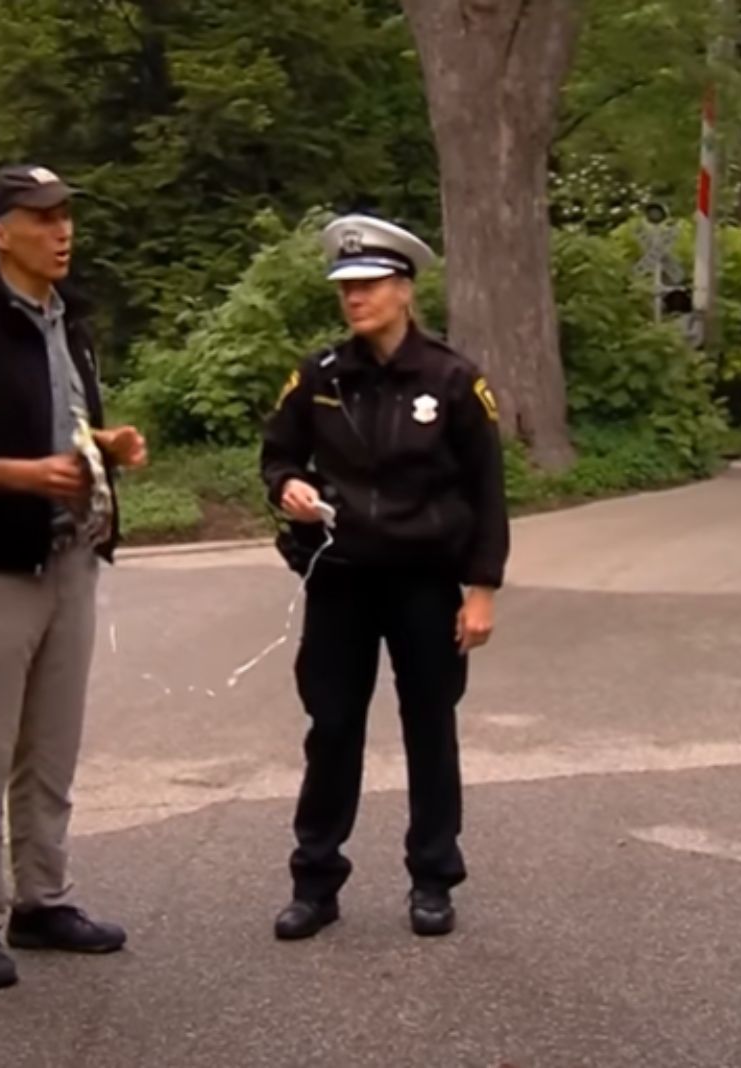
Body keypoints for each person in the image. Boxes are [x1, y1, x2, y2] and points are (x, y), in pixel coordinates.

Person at [0, 164, 148, 990]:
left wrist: (103, 447)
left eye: (66, 216)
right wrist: (23, 474)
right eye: (41, 217)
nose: (62, 231)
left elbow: (68, 426)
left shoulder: (69, 323)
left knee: (51, 749)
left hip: (71, 562)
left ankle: (42, 900)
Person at [260, 214, 510, 940]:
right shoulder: (320, 376)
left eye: (369, 286)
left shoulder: (453, 380)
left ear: (403, 290)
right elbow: (278, 456)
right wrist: (289, 490)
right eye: (346, 288)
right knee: (332, 727)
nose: (354, 299)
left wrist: (482, 588)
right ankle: (315, 881)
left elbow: (488, 492)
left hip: (425, 583)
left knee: (429, 727)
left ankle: (433, 878)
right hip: (340, 579)